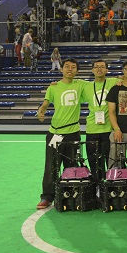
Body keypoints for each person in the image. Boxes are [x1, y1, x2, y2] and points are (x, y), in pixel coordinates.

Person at [36, 58, 86, 209]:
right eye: (67, 66)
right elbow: (46, 103)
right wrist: (41, 111)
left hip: (73, 133)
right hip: (55, 134)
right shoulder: (54, 87)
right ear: (61, 69)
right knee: (51, 166)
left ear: (77, 71)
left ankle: (71, 194)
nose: (70, 69)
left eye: (73, 67)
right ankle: (47, 197)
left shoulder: (81, 85)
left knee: (72, 165)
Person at [81, 60, 119, 185]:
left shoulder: (113, 82)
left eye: (102, 67)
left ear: (107, 70)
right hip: (92, 129)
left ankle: (109, 188)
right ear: (92, 70)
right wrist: (55, 84)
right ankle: (97, 188)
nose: (99, 69)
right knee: (94, 163)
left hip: (108, 129)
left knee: (110, 162)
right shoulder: (86, 86)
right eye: (96, 67)